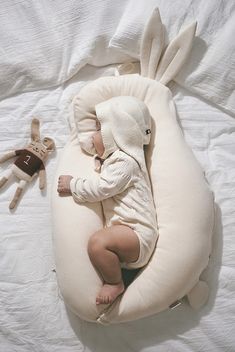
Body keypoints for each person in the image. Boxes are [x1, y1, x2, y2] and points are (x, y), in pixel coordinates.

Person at [57, 96, 158, 305]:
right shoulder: (115, 160)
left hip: (137, 234)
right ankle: (118, 275)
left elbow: (102, 188)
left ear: (117, 133)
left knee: (97, 243)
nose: (92, 136)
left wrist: (73, 184)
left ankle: (115, 283)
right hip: (126, 234)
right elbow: (88, 145)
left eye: (98, 130)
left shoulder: (126, 162)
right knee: (101, 243)